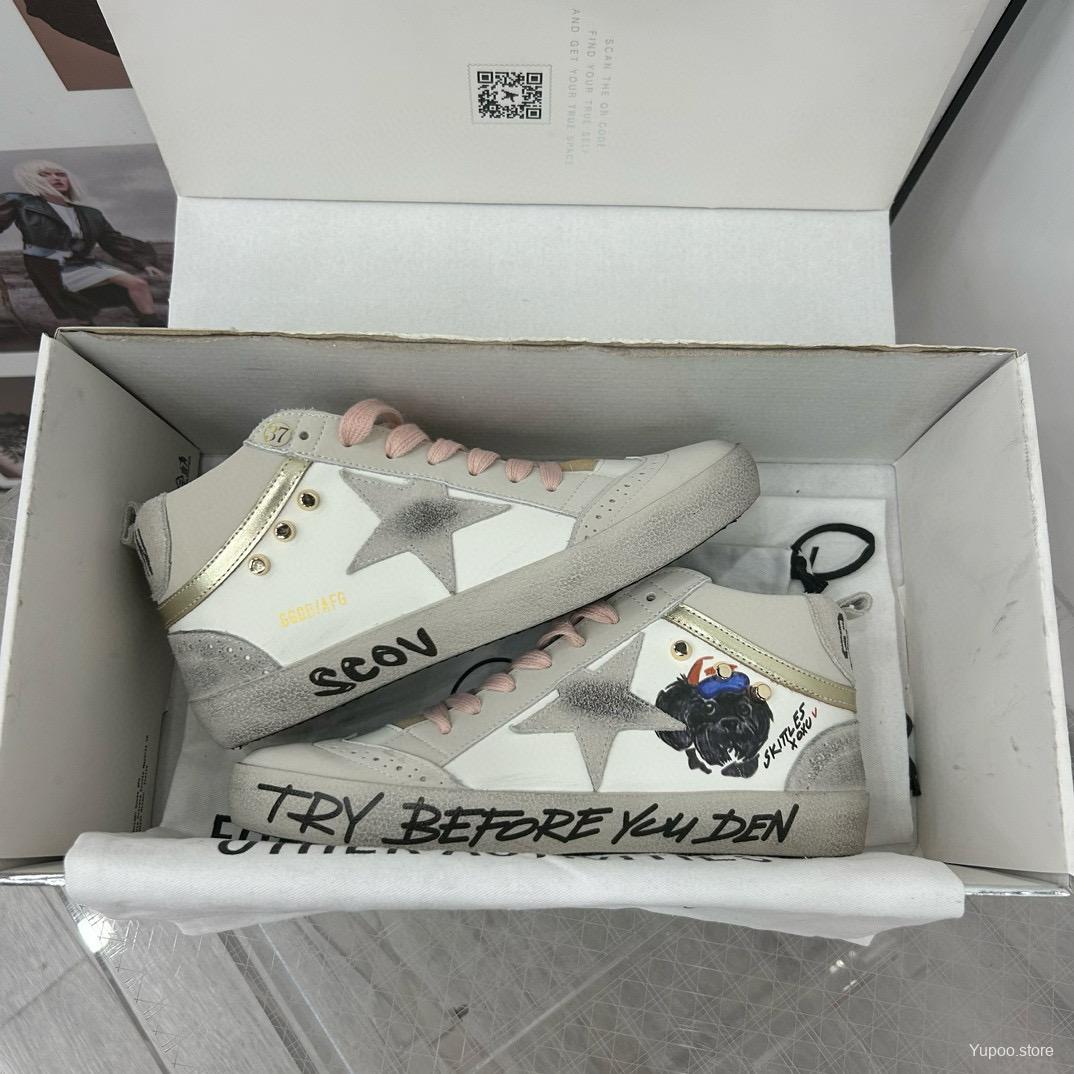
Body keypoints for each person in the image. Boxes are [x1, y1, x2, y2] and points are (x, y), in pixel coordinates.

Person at [0, 159, 166, 326]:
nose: (56, 178)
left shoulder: (90, 214)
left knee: (138, 284)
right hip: (48, 266)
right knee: (76, 310)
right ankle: (86, 327)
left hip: (81, 263)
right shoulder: (21, 203)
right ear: (32, 179)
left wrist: (144, 263)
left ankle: (151, 325)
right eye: (45, 175)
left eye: (60, 174)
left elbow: (113, 240)